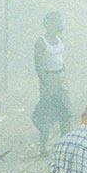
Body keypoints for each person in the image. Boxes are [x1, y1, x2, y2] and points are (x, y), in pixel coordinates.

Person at [32, 11, 71, 155]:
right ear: (49, 24)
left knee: (66, 113)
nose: (61, 24)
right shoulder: (41, 42)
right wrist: (46, 84)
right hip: (48, 79)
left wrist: (63, 76)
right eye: (57, 21)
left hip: (61, 77)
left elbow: (61, 60)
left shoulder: (60, 39)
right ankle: (44, 147)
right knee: (47, 114)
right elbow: (38, 66)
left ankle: (65, 145)